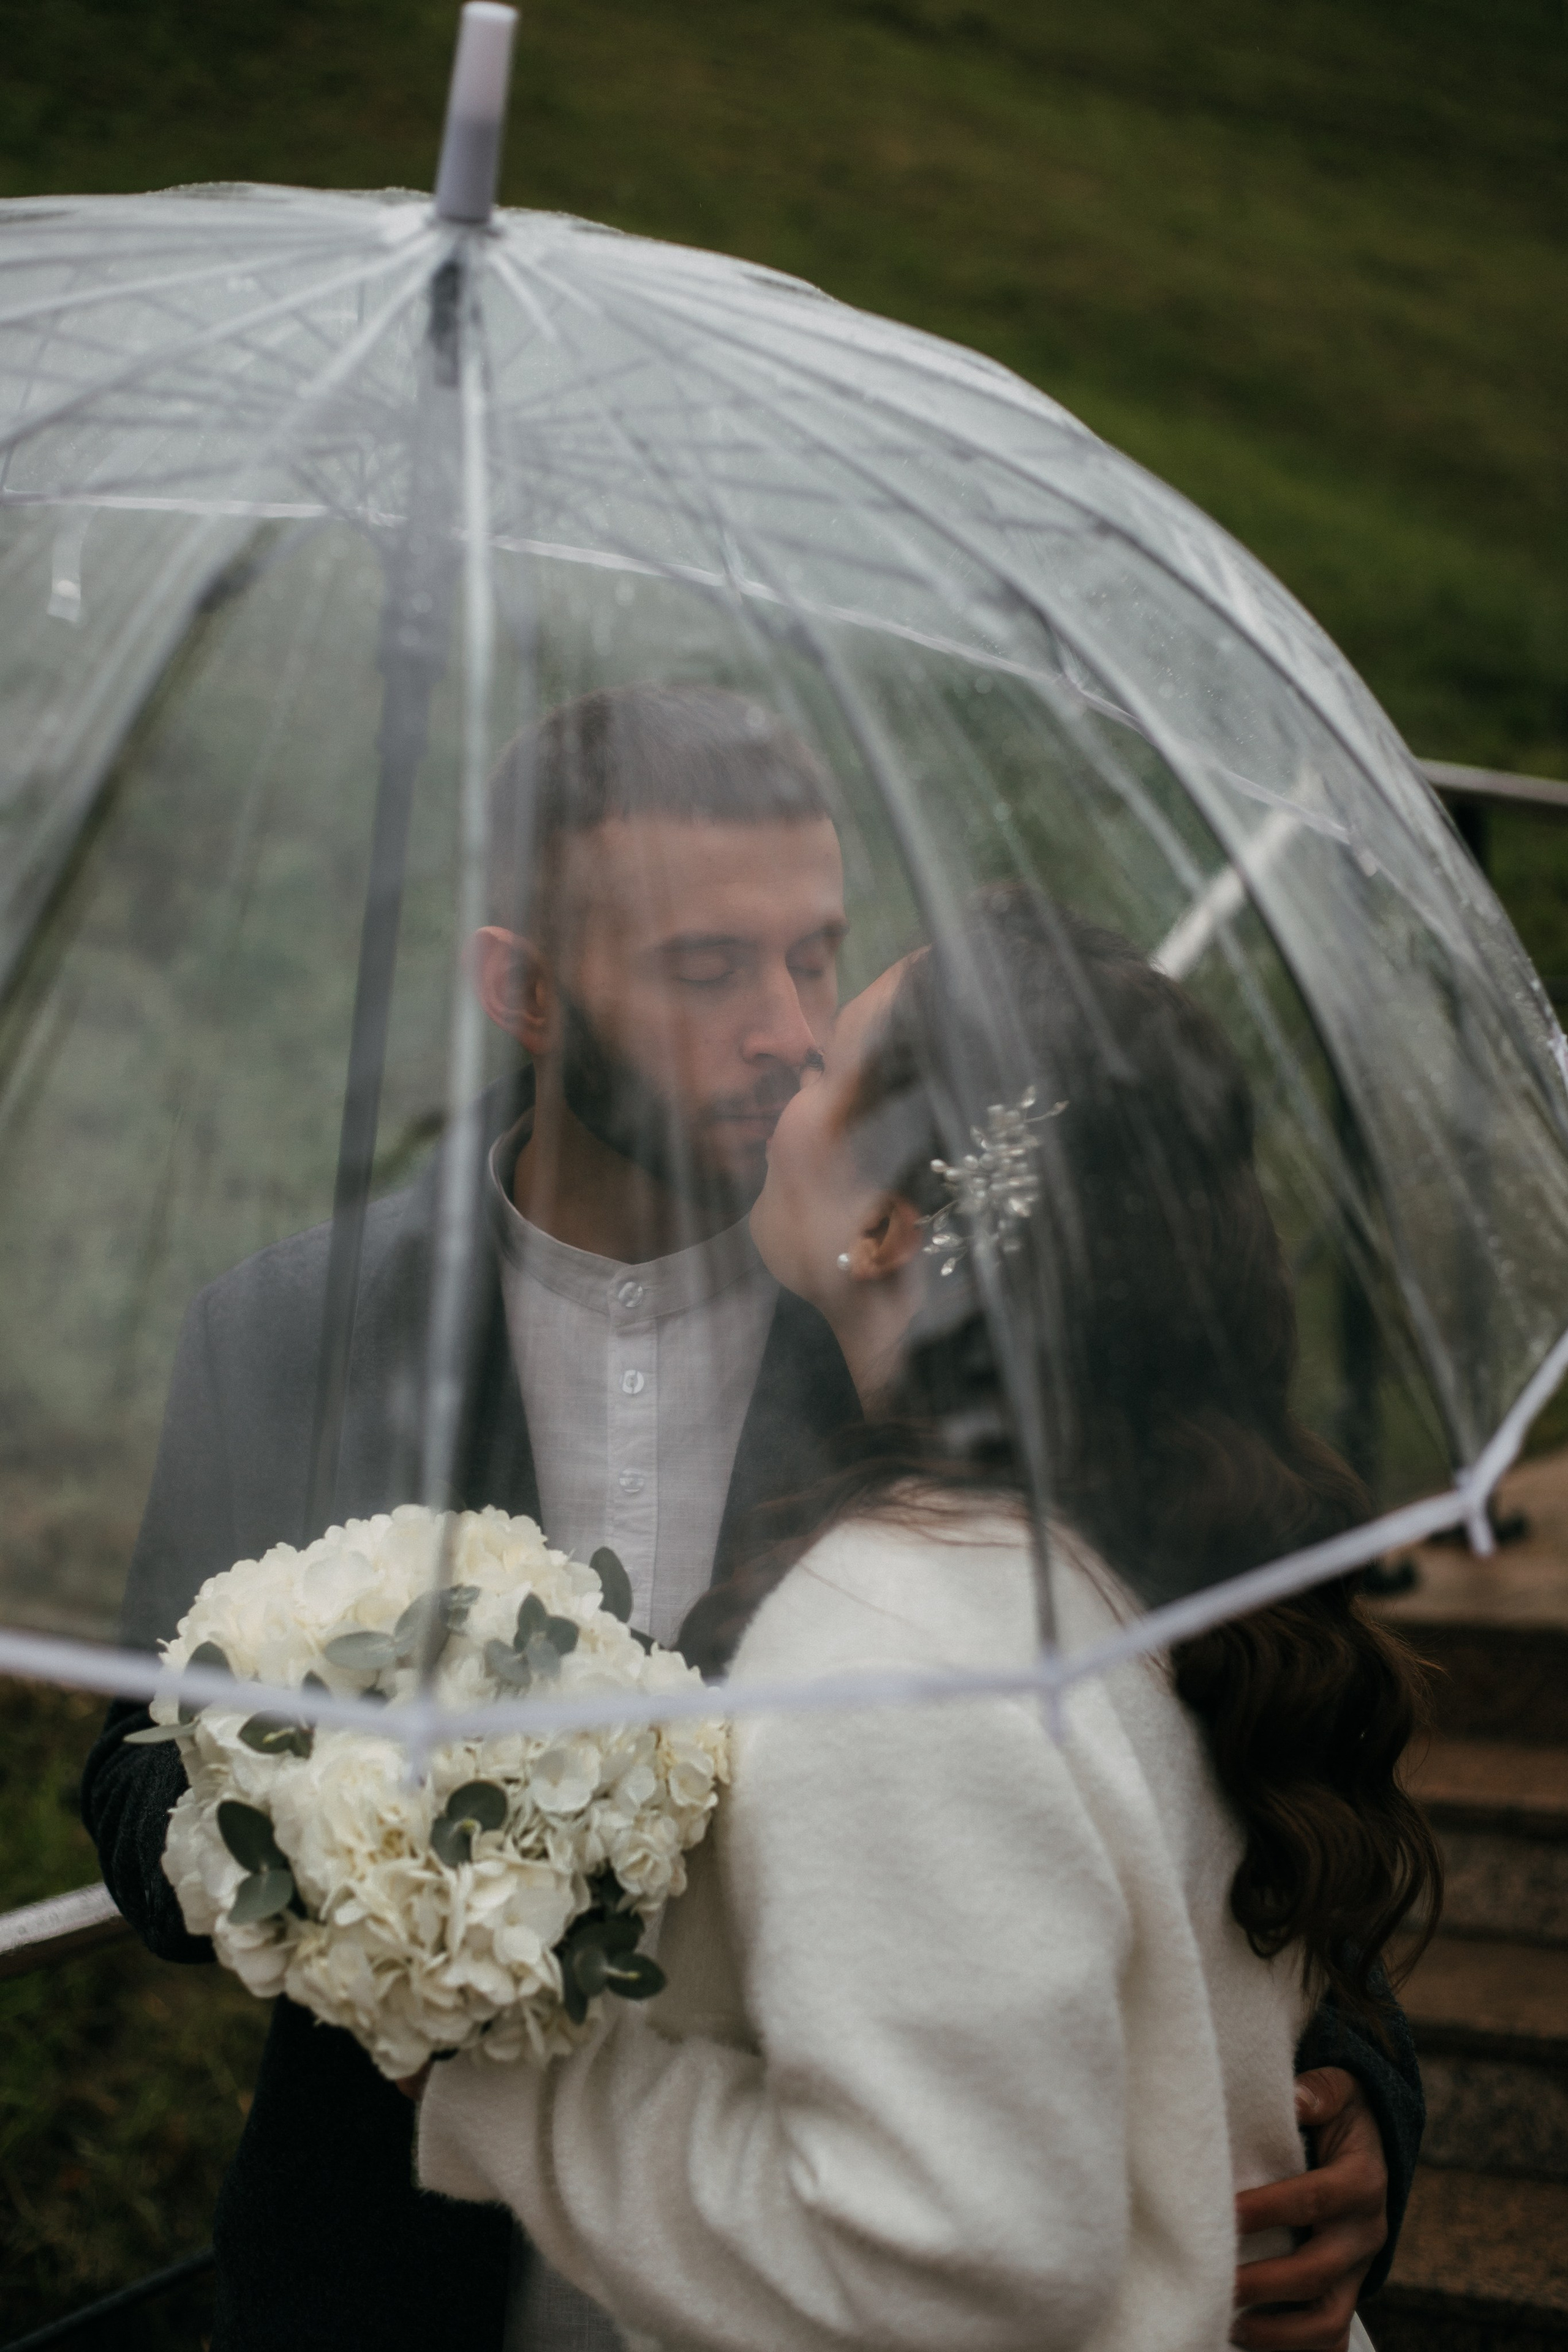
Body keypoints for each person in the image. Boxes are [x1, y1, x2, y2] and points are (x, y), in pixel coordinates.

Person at [83, 692, 1419, 2351]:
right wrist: (344, 1840)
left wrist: (1347, 2108)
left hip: (847, 2271)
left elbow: (1215, 1739)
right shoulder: (292, 1332)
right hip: (400, 2270)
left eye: (816, 958)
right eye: (708, 969)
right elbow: (137, 1766)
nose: (786, 1029)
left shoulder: (952, 1344)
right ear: (524, 991)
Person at [414, 889, 1439, 2352]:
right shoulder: (1125, 1544)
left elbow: (946, 2266)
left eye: (826, 1061)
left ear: (886, 1222)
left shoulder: (891, 1646)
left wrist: (519, 2078)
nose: (782, 1062)